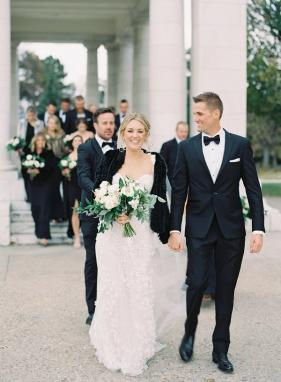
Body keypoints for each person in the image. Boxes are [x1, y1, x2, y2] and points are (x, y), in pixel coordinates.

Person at [168, 92, 265, 373]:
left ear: (215, 114)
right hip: (198, 227)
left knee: (225, 289)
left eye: (199, 114)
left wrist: (258, 228)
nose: (194, 118)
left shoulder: (240, 145)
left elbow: (253, 190)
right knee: (196, 282)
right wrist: (175, 229)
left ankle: (220, 348)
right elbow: (178, 193)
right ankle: (189, 334)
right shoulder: (186, 148)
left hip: (231, 229)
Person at [87, 113, 170, 376]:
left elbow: (160, 199)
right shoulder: (111, 158)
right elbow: (99, 191)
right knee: (113, 284)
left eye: (140, 131)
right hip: (112, 235)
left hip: (140, 236)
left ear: (146, 134)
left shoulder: (157, 161)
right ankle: (112, 341)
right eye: (130, 131)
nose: (135, 136)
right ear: (123, 133)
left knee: (137, 285)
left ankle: (139, 343)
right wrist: (111, 209)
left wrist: (168, 233)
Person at [77, 108, 116, 326]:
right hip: (92, 214)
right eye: (105, 123)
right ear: (96, 125)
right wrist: (101, 195)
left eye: (112, 122)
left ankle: (112, 305)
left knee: (114, 261)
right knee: (93, 260)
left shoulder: (121, 147)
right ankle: (92, 309)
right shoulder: (86, 148)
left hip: (118, 215)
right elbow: (82, 176)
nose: (109, 126)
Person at [28, 132, 57, 246]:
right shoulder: (30, 154)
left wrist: (40, 170)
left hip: (45, 184)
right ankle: (38, 233)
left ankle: (45, 236)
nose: (40, 142)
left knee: (44, 208)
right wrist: (29, 171)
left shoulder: (49, 154)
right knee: (35, 209)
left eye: (42, 140)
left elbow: (53, 169)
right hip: (33, 185)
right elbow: (24, 169)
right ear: (35, 141)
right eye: (38, 140)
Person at [17, 106, 44, 202]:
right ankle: (28, 195)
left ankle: (35, 194)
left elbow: (42, 135)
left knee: (36, 172)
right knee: (25, 173)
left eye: (32, 115)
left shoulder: (40, 123)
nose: (30, 117)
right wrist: (18, 148)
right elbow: (19, 136)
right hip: (24, 152)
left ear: (35, 115)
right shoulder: (22, 123)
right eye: (28, 115)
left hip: (35, 151)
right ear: (26, 114)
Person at [61, 135, 83, 248]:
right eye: (75, 140)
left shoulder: (86, 155)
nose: (77, 142)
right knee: (75, 211)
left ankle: (84, 234)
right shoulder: (67, 157)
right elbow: (62, 172)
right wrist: (65, 172)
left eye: (80, 140)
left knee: (84, 212)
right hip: (71, 186)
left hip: (83, 186)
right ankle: (77, 237)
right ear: (72, 143)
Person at [42, 115, 66, 222]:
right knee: (48, 190)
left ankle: (57, 215)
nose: (52, 125)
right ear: (47, 124)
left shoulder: (61, 135)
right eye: (50, 123)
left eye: (54, 123)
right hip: (46, 164)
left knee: (55, 189)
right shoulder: (43, 134)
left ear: (57, 124)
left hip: (57, 164)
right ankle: (51, 215)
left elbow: (64, 150)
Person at [160, 121, 189, 188]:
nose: (184, 134)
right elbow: (162, 166)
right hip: (171, 184)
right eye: (181, 131)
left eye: (186, 131)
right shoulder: (167, 146)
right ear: (176, 131)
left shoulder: (191, 145)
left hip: (188, 185)